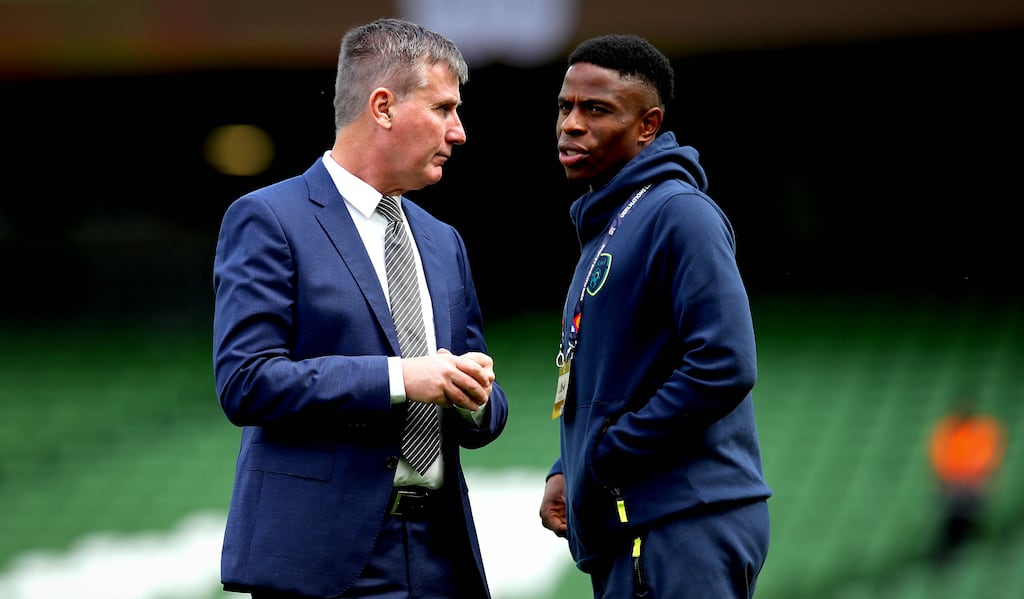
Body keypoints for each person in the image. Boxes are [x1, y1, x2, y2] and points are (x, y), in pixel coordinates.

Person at [212, 18, 508, 599]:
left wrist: (474, 398)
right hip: (322, 560)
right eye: (444, 108)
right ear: (383, 107)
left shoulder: (444, 240)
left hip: (442, 553)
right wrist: (405, 377)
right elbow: (245, 382)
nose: (460, 131)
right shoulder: (269, 219)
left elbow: (485, 405)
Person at [537, 34, 772, 598]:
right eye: (565, 107)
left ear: (648, 125)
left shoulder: (679, 214)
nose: (571, 124)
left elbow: (723, 363)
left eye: (596, 109)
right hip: (636, 525)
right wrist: (568, 467)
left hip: (679, 521)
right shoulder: (611, 222)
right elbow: (619, 378)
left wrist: (610, 453)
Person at [928, 397, 1005, 562]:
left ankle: (977, 553)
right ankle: (949, 555)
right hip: (953, 484)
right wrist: (948, 480)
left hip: (973, 484)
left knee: (973, 519)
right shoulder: (947, 429)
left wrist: (977, 478)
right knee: (951, 522)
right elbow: (939, 455)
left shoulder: (982, 429)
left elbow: (988, 456)